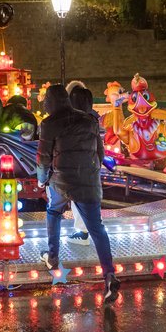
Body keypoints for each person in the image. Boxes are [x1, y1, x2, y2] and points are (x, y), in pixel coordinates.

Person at [36, 83, 120, 303]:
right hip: (88, 182)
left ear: (53, 102)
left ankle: (52, 257)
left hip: (62, 181)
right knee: (97, 228)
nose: (44, 104)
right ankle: (109, 275)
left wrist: (41, 180)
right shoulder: (89, 120)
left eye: (46, 101)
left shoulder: (49, 123)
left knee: (53, 212)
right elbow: (100, 153)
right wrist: (90, 173)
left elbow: (43, 158)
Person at [65, 81, 100, 246]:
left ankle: (82, 233)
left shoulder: (72, 119)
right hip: (92, 163)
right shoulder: (92, 118)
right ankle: (91, 229)